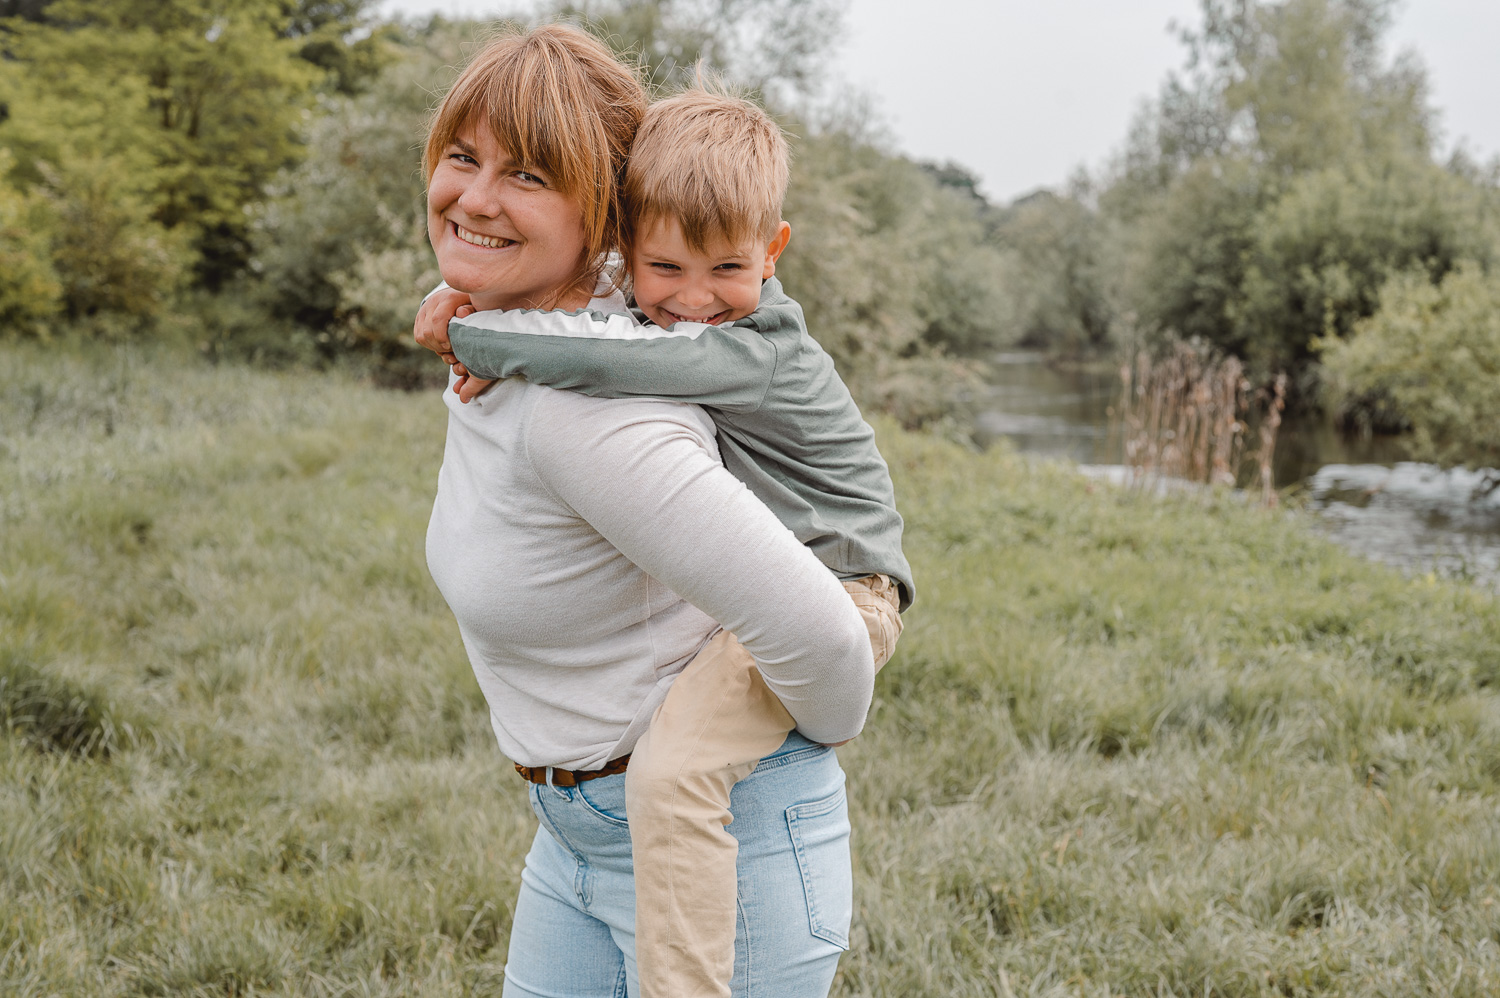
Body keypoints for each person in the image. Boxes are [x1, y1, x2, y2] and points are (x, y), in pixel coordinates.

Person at [415, 87, 913, 998]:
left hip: (846, 588)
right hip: (573, 836)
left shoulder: (737, 347)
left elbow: (609, 357)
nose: (689, 301)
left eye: (726, 267)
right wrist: (461, 299)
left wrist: (481, 338)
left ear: (773, 251)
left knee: (675, 773)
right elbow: (589, 287)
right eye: (664, 266)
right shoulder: (649, 296)